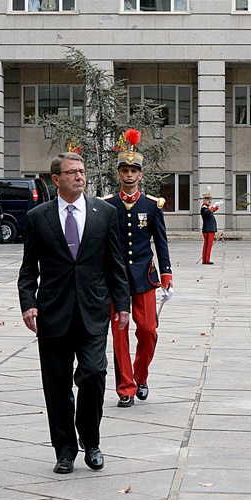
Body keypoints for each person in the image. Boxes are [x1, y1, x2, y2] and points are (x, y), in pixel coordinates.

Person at [18, 152, 130, 474]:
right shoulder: (39, 217)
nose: (79, 177)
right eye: (71, 173)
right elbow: (28, 271)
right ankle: (64, 450)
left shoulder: (104, 213)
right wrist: (28, 304)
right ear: (56, 179)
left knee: (94, 374)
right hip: (53, 314)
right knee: (57, 386)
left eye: (81, 172)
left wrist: (122, 304)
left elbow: (115, 263)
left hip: (93, 311)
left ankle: (91, 442)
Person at [107, 129, 172, 408]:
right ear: (119, 174)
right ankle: (125, 387)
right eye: (125, 170)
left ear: (140, 175)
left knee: (148, 331)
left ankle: (141, 374)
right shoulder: (108, 206)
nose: (129, 175)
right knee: (119, 334)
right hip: (116, 280)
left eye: (134, 171)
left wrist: (166, 274)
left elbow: (161, 241)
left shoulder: (152, 205)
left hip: (145, 277)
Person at [200, 192, 219, 263]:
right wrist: (213, 207)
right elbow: (207, 212)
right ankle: (206, 260)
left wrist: (216, 207)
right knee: (208, 245)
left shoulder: (207, 208)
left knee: (208, 245)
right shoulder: (204, 208)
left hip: (210, 229)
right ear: (204, 201)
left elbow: (210, 211)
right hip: (208, 229)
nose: (210, 201)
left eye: (210, 200)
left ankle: (205, 259)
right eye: (208, 200)